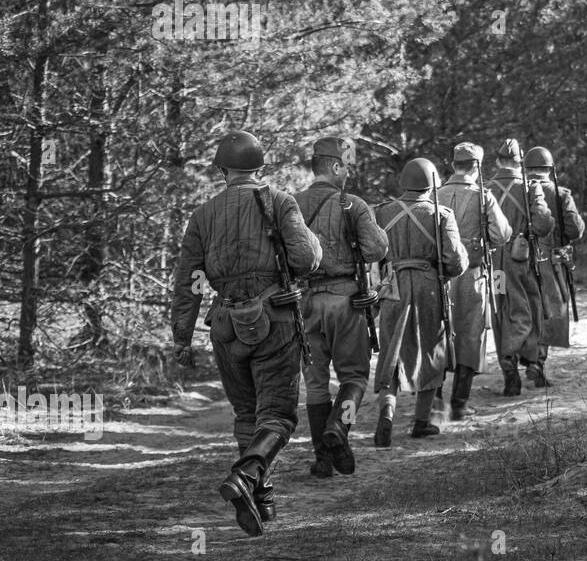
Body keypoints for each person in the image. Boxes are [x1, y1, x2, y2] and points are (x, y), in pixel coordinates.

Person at [171, 130, 321, 536]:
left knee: (246, 413)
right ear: (261, 167)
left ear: (222, 170)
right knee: (278, 416)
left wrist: (181, 337)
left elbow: (188, 281)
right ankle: (246, 475)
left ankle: (261, 501)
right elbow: (305, 260)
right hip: (276, 319)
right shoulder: (279, 201)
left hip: (225, 323)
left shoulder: (203, 215)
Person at [295, 137, 388, 478]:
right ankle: (340, 427)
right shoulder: (353, 205)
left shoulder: (290, 205)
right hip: (346, 302)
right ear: (335, 166)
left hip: (305, 303)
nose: (349, 173)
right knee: (355, 377)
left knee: (316, 384)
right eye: (347, 166)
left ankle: (323, 460)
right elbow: (376, 250)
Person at [372, 158, 467, 443]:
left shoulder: (382, 213)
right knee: (431, 351)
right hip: (428, 287)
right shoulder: (441, 214)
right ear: (433, 184)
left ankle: (386, 414)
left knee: (391, 351)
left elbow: (375, 255)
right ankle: (421, 422)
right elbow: (455, 261)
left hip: (393, 287)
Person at [435, 143, 511, 420]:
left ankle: (434, 404)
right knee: (470, 335)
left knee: (438, 335)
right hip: (471, 275)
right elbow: (502, 234)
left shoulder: (435, 194)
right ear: (477, 166)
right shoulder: (483, 197)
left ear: (454, 164)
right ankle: (459, 403)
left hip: (439, 277)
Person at [487, 139, 553, 396]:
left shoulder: (486, 188)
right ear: (520, 162)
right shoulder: (531, 187)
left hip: (495, 265)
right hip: (521, 260)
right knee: (528, 308)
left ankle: (508, 365)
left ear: (497, 161)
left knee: (501, 309)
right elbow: (543, 225)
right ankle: (521, 357)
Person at [521, 146, 585, 387]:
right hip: (550, 260)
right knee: (549, 310)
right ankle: (537, 361)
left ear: (526, 169)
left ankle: (521, 357)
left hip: (517, 259)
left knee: (520, 310)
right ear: (549, 170)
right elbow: (574, 230)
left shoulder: (516, 191)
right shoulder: (560, 193)